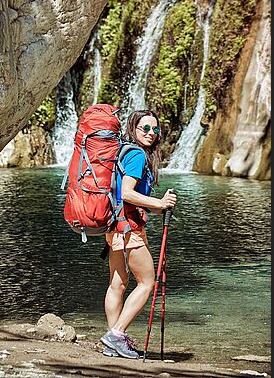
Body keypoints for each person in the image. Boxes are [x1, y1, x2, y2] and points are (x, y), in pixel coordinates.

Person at [100, 109, 177, 359]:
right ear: (133, 129)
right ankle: (117, 334)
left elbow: (130, 198)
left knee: (118, 284)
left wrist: (154, 206)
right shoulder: (136, 156)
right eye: (145, 128)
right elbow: (127, 193)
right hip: (128, 229)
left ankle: (112, 341)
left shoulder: (123, 151)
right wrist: (160, 203)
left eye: (155, 129)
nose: (151, 133)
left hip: (114, 225)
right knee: (146, 282)